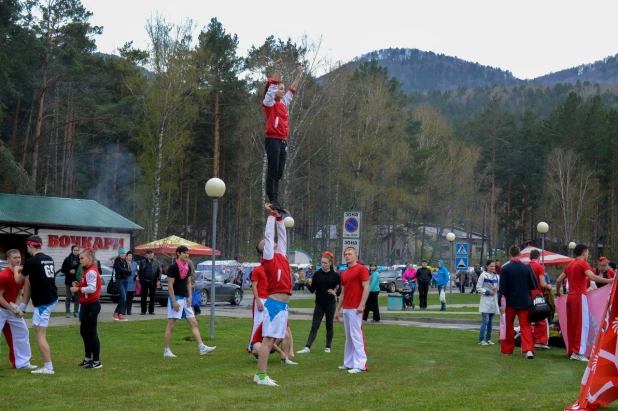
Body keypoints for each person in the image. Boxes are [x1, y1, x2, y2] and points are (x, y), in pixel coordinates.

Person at [254, 204, 293, 386]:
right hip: (274, 305)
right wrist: (271, 215)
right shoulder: (268, 258)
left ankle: (260, 375)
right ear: (264, 250)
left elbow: (282, 236)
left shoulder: (282, 255)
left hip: (283, 306)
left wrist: (279, 218)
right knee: (267, 341)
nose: (269, 242)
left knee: (276, 338)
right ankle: (261, 376)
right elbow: (270, 236)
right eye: (265, 244)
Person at [556, 244, 613, 361]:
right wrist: (609, 281)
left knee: (572, 325)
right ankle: (578, 353)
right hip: (579, 296)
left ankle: (573, 351)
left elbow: (558, 280)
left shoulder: (570, 264)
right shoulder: (583, 263)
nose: (587, 255)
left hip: (570, 297)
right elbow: (592, 277)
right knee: (582, 325)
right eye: (587, 252)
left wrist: (557, 292)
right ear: (583, 252)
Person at [262, 58, 303, 212]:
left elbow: (292, 90)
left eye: (283, 89)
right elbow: (272, 87)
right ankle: (271, 199)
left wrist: (298, 74)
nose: (283, 91)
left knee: (279, 172)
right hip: (272, 139)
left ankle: (276, 200)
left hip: (282, 141)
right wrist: (277, 68)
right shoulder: (269, 102)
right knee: (272, 170)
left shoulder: (283, 104)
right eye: (281, 89)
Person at [14, 235, 58, 374]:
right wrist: (23, 305)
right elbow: (29, 281)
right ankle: (22, 307)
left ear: (30, 246)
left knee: (40, 335)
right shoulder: (48, 259)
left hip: (44, 303)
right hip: (51, 297)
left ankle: (48, 367)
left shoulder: (31, 262)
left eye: (27, 247)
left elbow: (18, 280)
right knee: (40, 333)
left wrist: (16, 269)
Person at [163, 246, 216, 358]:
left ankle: (202, 347)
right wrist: (174, 301)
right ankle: (166, 350)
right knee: (171, 326)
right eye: (184, 253)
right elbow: (170, 285)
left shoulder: (187, 267)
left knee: (194, 323)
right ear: (178, 253)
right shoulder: (173, 268)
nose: (187, 255)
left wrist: (190, 296)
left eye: (188, 253)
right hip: (176, 298)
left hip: (185, 299)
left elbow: (188, 283)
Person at [297, 251, 342, 354]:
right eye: (322, 262)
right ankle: (307, 347)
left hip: (330, 303)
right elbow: (313, 290)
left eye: (325, 263)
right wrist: (307, 284)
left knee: (329, 325)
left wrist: (335, 292)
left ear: (330, 263)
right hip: (319, 303)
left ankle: (328, 346)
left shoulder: (335, 275)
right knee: (315, 325)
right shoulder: (317, 274)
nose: (323, 264)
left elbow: (341, 289)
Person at [498, 245, 538, 359]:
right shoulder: (527, 268)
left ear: (510, 254)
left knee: (508, 326)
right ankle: (528, 349)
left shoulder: (505, 269)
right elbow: (534, 284)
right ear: (519, 254)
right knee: (525, 326)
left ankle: (507, 349)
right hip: (524, 301)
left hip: (510, 302)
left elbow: (502, 288)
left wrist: (500, 303)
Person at [335, 247, 370, 374]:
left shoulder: (362, 269)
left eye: (350, 254)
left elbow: (366, 287)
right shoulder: (344, 273)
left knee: (356, 335)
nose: (347, 256)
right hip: (347, 308)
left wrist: (362, 305)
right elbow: (343, 293)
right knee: (349, 337)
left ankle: (360, 364)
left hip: (356, 308)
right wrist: (337, 310)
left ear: (356, 256)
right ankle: (349, 363)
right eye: (346, 254)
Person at [0, 249, 37, 369]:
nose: (18, 260)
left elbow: (19, 294)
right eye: (15, 257)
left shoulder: (20, 274)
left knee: (22, 332)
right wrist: (12, 309)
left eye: (19, 257)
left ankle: (22, 363)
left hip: (10, 308)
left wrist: (17, 308)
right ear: (8, 259)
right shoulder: (3, 276)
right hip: (1, 308)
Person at [71, 248, 102, 369]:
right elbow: (88, 287)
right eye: (79, 259)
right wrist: (80, 286)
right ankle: (88, 357)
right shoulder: (87, 271)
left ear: (90, 258)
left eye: (82, 258)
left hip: (91, 305)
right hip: (86, 304)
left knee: (91, 332)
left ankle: (96, 360)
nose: (80, 261)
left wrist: (77, 289)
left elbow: (92, 288)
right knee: (84, 332)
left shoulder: (91, 271)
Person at [528, 249, 553, 350]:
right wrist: (549, 286)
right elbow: (542, 283)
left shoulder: (525, 266)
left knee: (527, 318)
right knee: (542, 318)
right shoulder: (540, 267)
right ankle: (541, 341)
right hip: (537, 294)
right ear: (538, 257)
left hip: (526, 294)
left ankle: (528, 340)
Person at [476, 260, 499, 345]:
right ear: (487, 266)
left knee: (491, 322)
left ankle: (488, 339)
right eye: (491, 266)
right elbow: (478, 288)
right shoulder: (483, 276)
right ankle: (481, 340)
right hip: (486, 301)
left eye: (494, 266)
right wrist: (488, 292)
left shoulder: (497, 276)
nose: (493, 268)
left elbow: (499, 286)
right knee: (485, 320)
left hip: (493, 301)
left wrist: (497, 289)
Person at [248, 264, 268, 352]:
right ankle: (251, 346)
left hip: (269, 299)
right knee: (258, 323)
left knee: (267, 323)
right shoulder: (257, 269)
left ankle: (263, 344)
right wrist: (258, 300)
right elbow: (254, 286)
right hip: (261, 298)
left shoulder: (271, 269)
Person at [138, 249, 161, 315]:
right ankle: (143, 310)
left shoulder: (156, 262)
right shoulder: (143, 262)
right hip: (144, 281)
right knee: (143, 296)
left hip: (153, 281)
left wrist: (158, 280)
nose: (151, 254)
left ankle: (151, 310)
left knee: (152, 296)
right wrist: (140, 279)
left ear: (153, 254)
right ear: (146, 255)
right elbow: (140, 271)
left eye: (152, 253)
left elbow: (159, 272)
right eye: (149, 253)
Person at [60, 244, 80, 318]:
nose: (76, 251)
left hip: (77, 281)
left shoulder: (81, 259)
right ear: (72, 250)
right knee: (68, 297)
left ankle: (76, 311)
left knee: (77, 298)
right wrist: (69, 271)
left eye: (77, 250)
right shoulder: (67, 259)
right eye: (75, 250)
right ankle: (68, 312)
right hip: (69, 281)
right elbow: (62, 269)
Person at [112, 248, 131, 321]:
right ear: (119, 254)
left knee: (123, 299)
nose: (123, 255)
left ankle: (119, 314)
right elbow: (119, 269)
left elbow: (129, 271)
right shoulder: (117, 261)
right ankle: (115, 313)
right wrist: (127, 271)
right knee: (123, 298)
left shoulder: (125, 261)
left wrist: (126, 271)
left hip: (126, 280)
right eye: (121, 254)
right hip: (120, 281)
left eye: (123, 254)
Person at [123, 251, 138, 315]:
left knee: (130, 299)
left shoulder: (134, 263)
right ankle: (123, 311)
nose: (130, 257)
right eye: (129, 256)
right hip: (126, 283)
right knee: (124, 298)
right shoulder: (124, 263)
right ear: (126, 256)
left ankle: (129, 311)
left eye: (131, 256)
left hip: (132, 283)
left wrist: (136, 274)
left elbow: (136, 271)